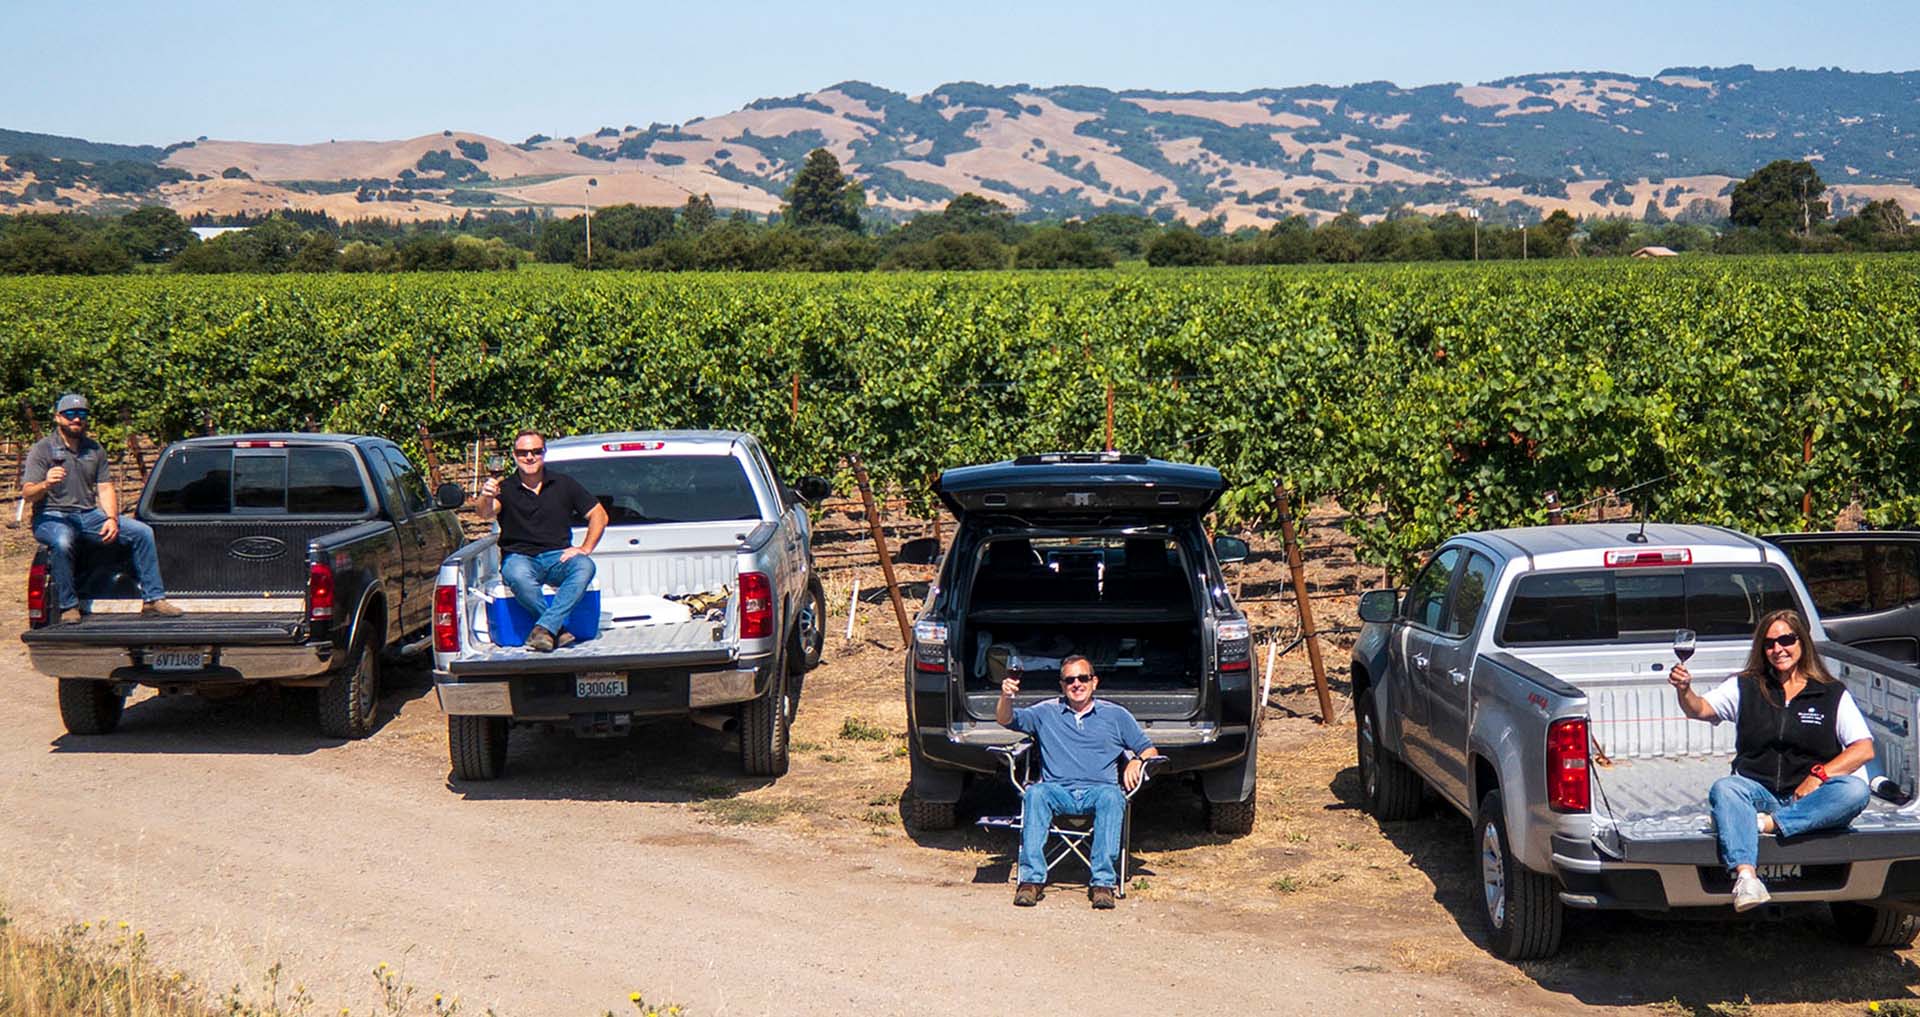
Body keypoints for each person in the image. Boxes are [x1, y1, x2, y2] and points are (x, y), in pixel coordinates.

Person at [1669, 609, 1874, 912]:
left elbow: (1863, 748)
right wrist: (1684, 690)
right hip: (1758, 793)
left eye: (1786, 640)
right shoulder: (1745, 686)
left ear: (1801, 642)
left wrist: (1819, 775)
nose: (1778, 649)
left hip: (1809, 799)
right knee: (1726, 788)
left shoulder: (1831, 693)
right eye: (1769, 644)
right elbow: (1700, 709)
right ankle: (1747, 879)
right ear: (1762, 650)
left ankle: (1762, 825)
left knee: (1855, 791)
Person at [996, 654, 1162, 910]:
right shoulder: (1046, 712)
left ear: (1094, 682)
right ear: (1062, 685)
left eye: (1083, 678)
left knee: (1112, 797)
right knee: (1035, 793)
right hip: (1058, 791)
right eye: (1070, 679)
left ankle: (1103, 884)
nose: (1077, 684)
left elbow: (1150, 750)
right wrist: (1006, 696)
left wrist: (1137, 761)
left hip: (1099, 791)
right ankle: (1030, 881)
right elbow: (1006, 720)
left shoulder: (1116, 715)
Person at [21, 394, 179, 621]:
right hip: (50, 516)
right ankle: (68, 606)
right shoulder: (43, 449)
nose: (77, 419)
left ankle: (153, 599)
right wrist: (46, 484)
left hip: (87, 514)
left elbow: (105, 488)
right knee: (63, 541)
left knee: (142, 532)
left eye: (82, 415)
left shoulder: (94, 450)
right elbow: (27, 494)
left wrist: (112, 519)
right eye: (70, 415)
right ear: (58, 418)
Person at [476, 430, 607, 652]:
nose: (529, 457)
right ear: (514, 456)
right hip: (520, 558)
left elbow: (599, 515)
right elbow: (485, 513)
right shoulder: (504, 488)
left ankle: (545, 628)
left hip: (558, 556)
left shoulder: (564, 483)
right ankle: (557, 629)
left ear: (543, 453)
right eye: (523, 452)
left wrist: (584, 548)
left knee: (585, 567)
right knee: (517, 575)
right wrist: (486, 496)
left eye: (536, 451)